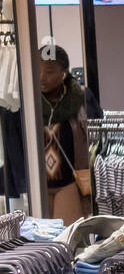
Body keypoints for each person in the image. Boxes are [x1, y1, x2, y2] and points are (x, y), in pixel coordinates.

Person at [37, 45, 90, 224]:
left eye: (50, 71)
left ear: (64, 73)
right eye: (38, 69)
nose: (42, 77)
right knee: (38, 246)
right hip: (36, 184)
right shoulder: (28, 103)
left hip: (68, 183)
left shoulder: (79, 100)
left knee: (66, 243)